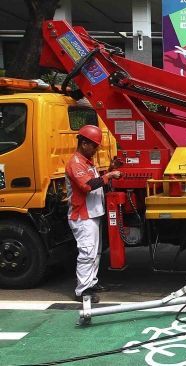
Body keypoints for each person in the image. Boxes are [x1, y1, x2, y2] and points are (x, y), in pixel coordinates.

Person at [65, 125, 121, 303]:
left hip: (93, 214)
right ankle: (82, 291)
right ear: (83, 143)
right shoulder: (75, 163)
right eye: (94, 146)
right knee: (87, 253)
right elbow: (87, 186)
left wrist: (109, 170)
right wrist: (110, 176)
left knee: (95, 253)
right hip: (82, 216)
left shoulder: (87, 163)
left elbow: (94, 180)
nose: (96, 150)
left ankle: (91, 282)